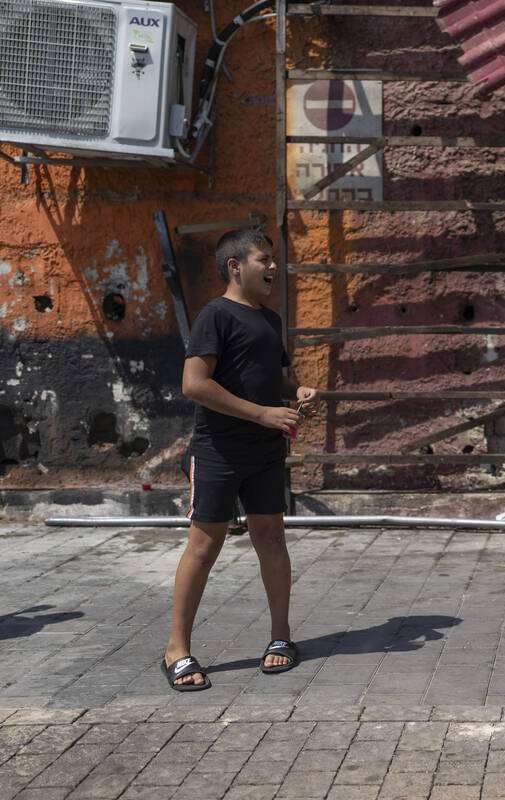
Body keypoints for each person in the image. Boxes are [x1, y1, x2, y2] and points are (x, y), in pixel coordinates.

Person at [161, 229, 319, 691]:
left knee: (271, 539)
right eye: (263, 260)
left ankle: (281, 638)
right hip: (218, 452)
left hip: (266, 453)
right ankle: (177, 649)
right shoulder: (215, 315)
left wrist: (297, 390)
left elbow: (276, 375)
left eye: (273, 260)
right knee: (205, 547)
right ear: (235, 266)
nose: (274, 268)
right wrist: (262, 413)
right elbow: (194, 384)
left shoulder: (270, 319)